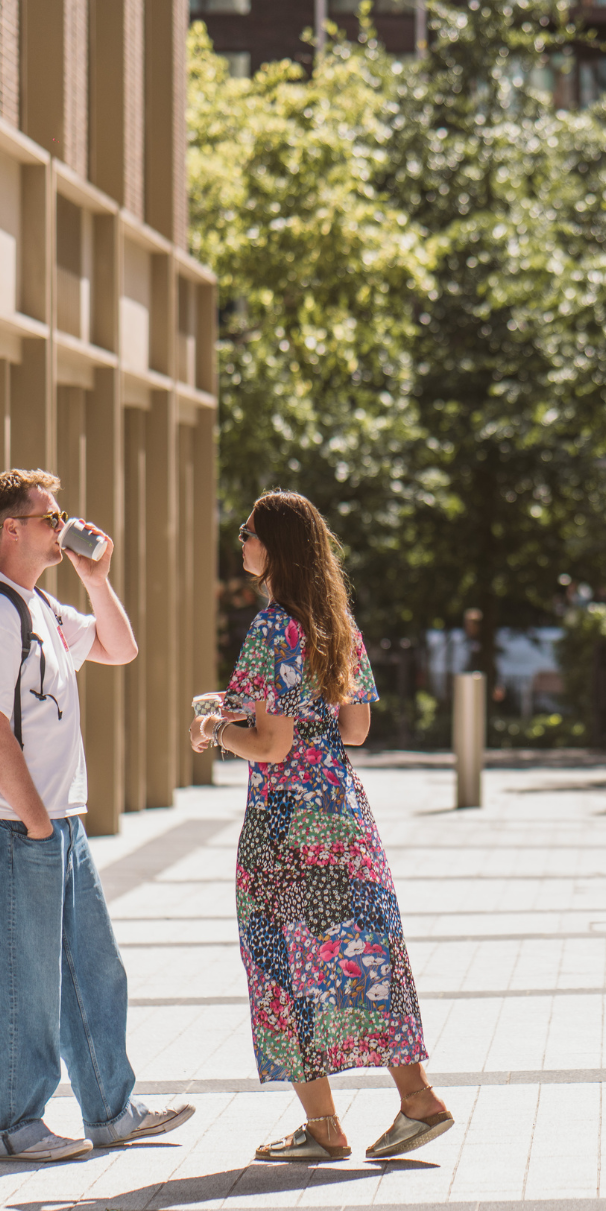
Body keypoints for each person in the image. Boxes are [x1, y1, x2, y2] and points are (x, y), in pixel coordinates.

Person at [190, 490, 450, 1162]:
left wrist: (216, 729)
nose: (241, 541)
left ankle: (324, 1125)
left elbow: (270, 744)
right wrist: (261, 713)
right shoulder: (337, 622)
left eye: (247, 531)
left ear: (273, 546)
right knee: (366, 952)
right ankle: (419, 1098)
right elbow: (355, 728)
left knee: (281, 961)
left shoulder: (272, 628)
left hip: (284, 825)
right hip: (341, 811)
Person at [0, 468, 194, 1161]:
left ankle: (111, 1110)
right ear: (11, 529)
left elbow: (120, 648)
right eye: (50, 519)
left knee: (92, 970)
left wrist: (95, 578)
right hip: (14, 825)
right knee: (24, 980)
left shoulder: (41, 606)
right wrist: (33, 822)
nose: (63, 527)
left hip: (58, 822)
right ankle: (14, 1126)